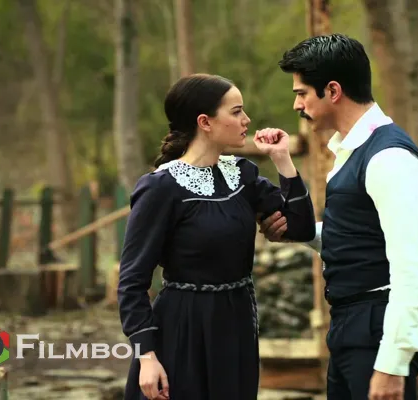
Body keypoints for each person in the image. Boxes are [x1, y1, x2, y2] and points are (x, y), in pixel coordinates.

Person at [117, 73, 316, 400]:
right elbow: (132, 281)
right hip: (183, 328)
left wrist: (282, 159)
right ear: (205, 122)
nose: (246, 119)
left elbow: (301, 228)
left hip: (235, 324)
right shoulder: (160, 188)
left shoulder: (242, 175)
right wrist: (147, 357)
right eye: (236, 112)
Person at [259, 34, 418, 400]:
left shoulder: (389, 159)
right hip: (351, 324)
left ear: (333, 91)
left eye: (302, 93)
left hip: (377, 327)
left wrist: (392, 363)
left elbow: (414, 269)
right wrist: (302, 232)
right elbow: (363, 235)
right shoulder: (353, 151)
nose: (296, 104)